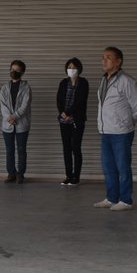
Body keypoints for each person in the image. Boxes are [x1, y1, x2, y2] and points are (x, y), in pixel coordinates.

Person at [94, 47, 137, 211]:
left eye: (108, 57)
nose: (104, 60)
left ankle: (126, 200)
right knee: (109, 168)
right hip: (105, 130)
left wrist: (127, 122)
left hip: (121, 132)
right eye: (103, 57)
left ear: (118, 61)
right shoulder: (104, 80)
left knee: (123, 167)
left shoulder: (126, 81)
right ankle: (111, 198)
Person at [56, 57, 89, 186]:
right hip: (64, 120)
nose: (71, 69)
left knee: (76, 147)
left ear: (79, 69)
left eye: (74, 67)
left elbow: (81, 101)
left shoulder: (83, 83)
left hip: (77, 120)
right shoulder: (63, 82)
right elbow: (59, 99)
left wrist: (69, 113)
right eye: (69, 67)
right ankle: (68, 176)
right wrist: (62, 113)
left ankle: (76, 176)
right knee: (66, 148)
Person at [0, 60, 31, 183]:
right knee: (9, 150)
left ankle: (20, 174)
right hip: (7, 125)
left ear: (22, 72)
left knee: (21, 150)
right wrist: (9, 118)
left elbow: (25, 106)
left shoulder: (26, 87)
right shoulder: (4, 88)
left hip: (21, 124)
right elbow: (3, 105)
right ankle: (11, 174)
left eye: (17, 70)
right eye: (12, 69)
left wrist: (14, 117)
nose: (14, 72)